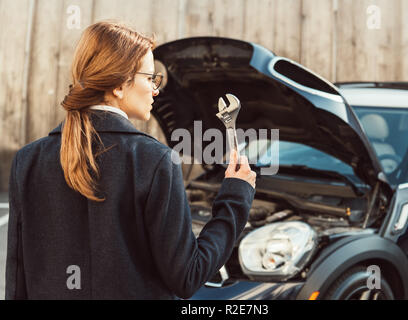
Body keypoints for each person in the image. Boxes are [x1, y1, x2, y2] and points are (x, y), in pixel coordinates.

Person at [5, 21, 256, 299]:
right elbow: (187, 276)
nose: (156, 90)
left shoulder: (27, 161)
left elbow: (18, 280)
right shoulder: (156, 161)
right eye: (150, 78)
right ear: (120, 86)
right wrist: (235, 197)